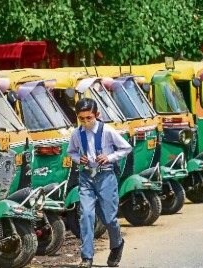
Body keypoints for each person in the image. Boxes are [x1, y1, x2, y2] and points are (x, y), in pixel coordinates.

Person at [67, 98, 132, 268]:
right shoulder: (76, 133)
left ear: (97, 115)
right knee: (86, 215)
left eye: (89, 118)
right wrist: (77, 159)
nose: (86, 122)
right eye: (82, 119)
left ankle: (117, 244)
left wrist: (109, 157)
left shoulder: (107, 131)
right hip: (86, 177)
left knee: (109, 218)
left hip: (105, 176)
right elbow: (71, 152)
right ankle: (86, 257)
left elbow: (126, 148)